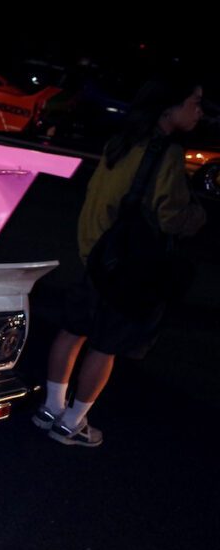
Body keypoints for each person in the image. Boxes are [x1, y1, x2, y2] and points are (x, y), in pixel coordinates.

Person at [33, 76, 207, 447]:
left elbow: (96, 197)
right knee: (105, 344)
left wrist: (89, 249)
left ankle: (50, 408)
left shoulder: (120, 142)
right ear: (168, 107)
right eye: (194, 102)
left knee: (73, 329)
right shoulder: (167, 153)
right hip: (127, 265)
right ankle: (71, 424)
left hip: (95, 253)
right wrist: (199, 216)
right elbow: (171, 217)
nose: (199, 112)